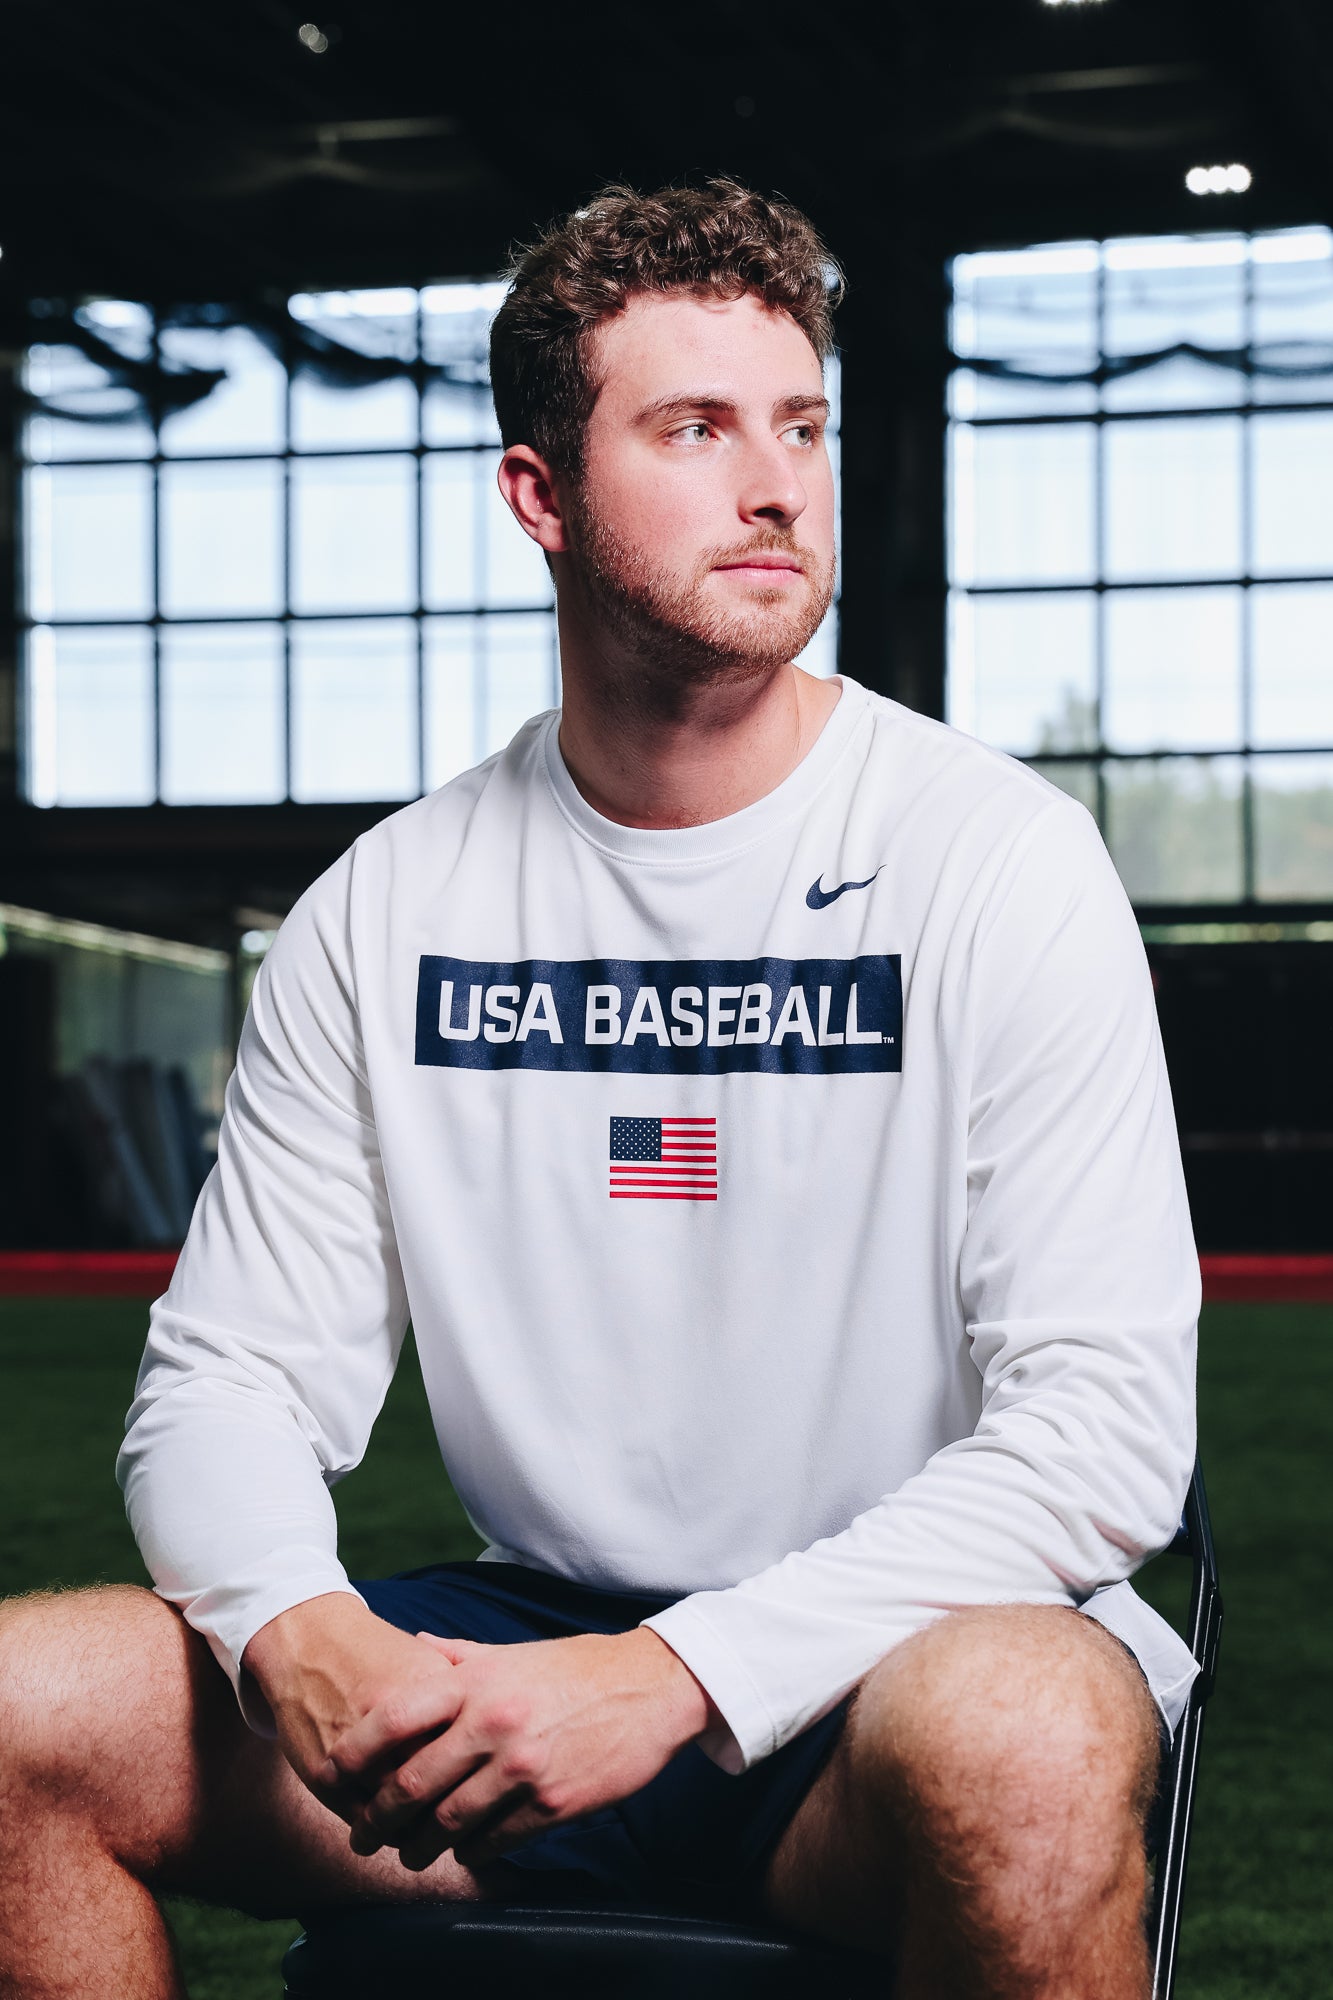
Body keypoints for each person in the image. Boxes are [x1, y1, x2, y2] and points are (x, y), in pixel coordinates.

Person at [0, 180, 1198, 2000]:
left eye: (798, 424)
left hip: (897, 1661)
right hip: (519, 1662)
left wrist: (681, 1677)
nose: (775, 482)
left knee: (1023, 1735)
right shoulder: (392, 904)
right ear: (538, 494)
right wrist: (295, 1627)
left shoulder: (995, 860)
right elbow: (227, 1381)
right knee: (19, 1712)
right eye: (693, 428)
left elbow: (1104, 1429)